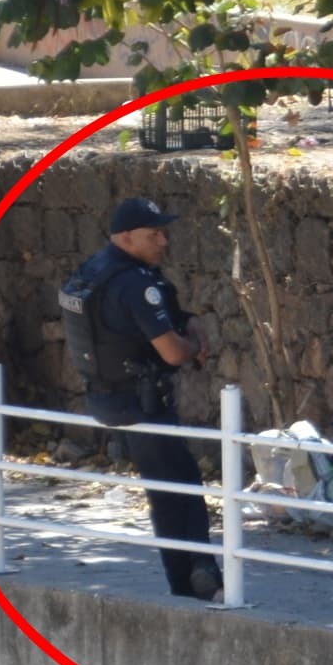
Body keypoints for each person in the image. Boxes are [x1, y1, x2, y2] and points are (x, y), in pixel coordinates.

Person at [59, 196, 223, 599]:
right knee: (181, 488)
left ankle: (190, 578)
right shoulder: (135, 284)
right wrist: (193, 345)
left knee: (167, 489)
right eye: (154, 234)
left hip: (108, 398)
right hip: (144, 403)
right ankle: (197, 575)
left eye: (164, 233)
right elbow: (170, 352)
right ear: (127, 237)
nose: (163, 242)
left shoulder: (93, 271)